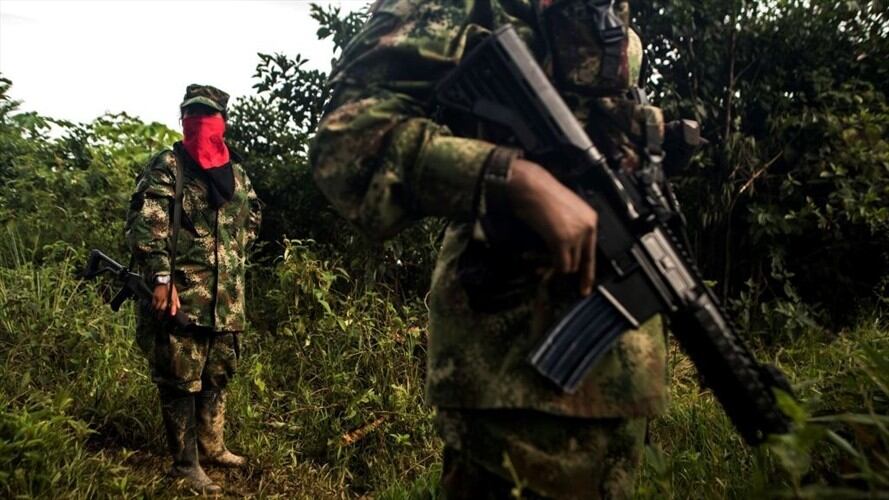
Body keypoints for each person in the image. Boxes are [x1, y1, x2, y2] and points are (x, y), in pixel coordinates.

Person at [311, 1, 671, 498]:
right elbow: (347, 140)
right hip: (512, 372)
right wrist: (511, 179)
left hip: (616, 378)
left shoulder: (609, 13)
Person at [126, 84, 262, 493]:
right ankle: (185, 463)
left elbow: (252, 216)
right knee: (180, 376)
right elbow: (148, 224)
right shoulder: (169, 165)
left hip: (225, 299)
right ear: (182, 118)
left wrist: (230, 261)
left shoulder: (235, 172)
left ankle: (213, 447)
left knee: (217, 373)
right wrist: (162, 278)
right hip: (181, 293)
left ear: (223, 122)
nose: (201, 122)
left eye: (209, 115)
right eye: (193, 114)